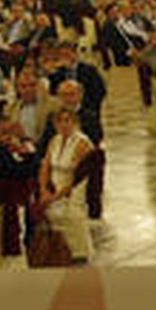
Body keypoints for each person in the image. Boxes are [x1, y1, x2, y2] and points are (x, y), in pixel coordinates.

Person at [39, 106, 94, 260]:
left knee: (72, 215)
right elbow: (45, 167)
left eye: (67, 121)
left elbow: (77, 177)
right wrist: (43, 189)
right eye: (60, 121)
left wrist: (56, 196)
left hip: (75, 186)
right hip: (56, 183)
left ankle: (79, 253)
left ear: (75, 123)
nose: (64, 125)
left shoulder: (82, 143)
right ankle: (59, 251)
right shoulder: (54, 140)